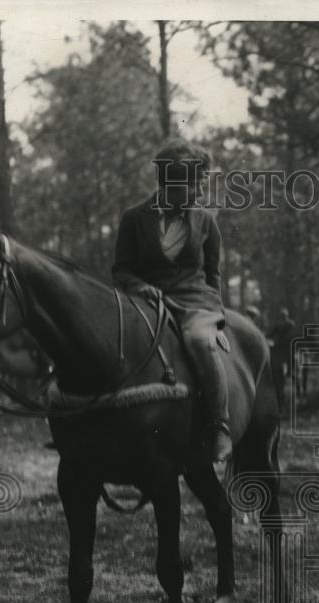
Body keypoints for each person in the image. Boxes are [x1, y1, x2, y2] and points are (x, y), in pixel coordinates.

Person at [112, 138, 230, 465]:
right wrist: (139, 286)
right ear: (171, 184)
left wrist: (215, 313)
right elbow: (121, 268)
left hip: (195, 303)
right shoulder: (134, 219)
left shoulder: (206, 220)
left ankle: (220, 425)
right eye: (195, 185)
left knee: (198, 342)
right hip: (145, 301)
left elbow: (213, 272)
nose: (200, 193)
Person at [267, 307, 295, 412]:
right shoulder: (288, 325)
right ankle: (291, 371)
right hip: (284, 352)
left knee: (279, 383)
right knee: (280, 383)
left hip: (282, 351)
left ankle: (291, 371)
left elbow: (271, 334)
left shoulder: (282, 325)